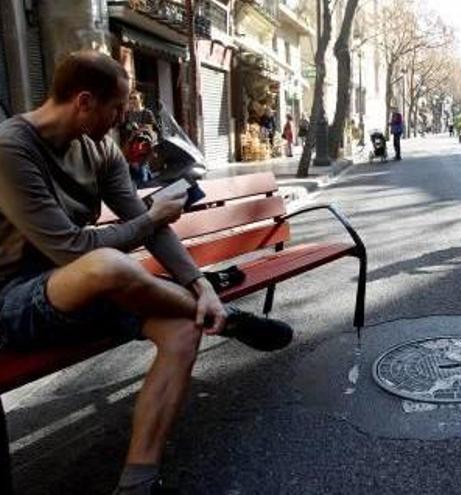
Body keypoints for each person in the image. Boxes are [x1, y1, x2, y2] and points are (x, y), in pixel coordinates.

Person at [0, 51, 293, 494]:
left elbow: (148, 226)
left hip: (84, 290)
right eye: (117, 108)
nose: (123, 119)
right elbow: (70, 249)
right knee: (107, 263)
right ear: (84, 101)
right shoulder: (11, 149)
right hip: (15, 304)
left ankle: (138, 483)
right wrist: (154, 220)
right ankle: (227, 322)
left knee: (182, 331)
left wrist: (198, 282)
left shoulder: (99, 149)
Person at [120, 91, 157, 187]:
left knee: (142, 181)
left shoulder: (147, 113)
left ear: (141, 100)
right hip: (130, 151)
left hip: (142, 151)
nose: (132, 100)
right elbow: (124, 130)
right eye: (130, 98)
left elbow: (152, 131)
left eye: (135, 98)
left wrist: (140, 129)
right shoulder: (127, 115)